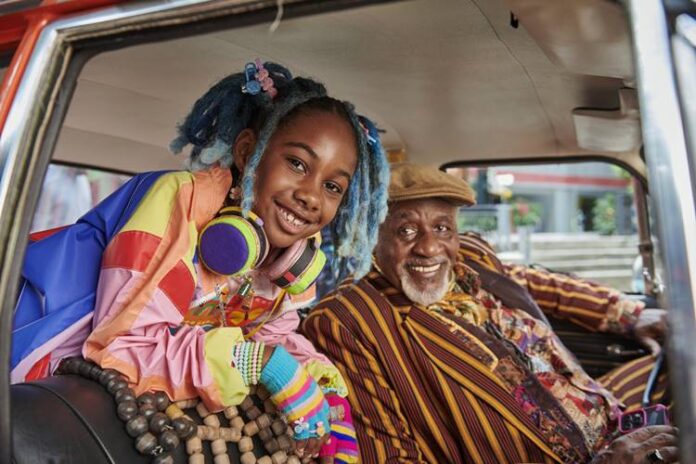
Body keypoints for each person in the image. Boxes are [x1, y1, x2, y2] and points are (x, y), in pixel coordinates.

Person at [11, 61, 390, 461]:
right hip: (41, 367)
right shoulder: (177, 200)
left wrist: (328, 392)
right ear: (249, 153)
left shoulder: (294, 246)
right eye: (297, 163)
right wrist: (259, 363)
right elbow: (120, 346)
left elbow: (275, 335)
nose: (311, 196)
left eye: (332, 186)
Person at [303, 162, 676, 464]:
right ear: (373, 237)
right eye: (406, 230)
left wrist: (628, 314)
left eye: (441, 227)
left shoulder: (471, 259)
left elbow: (538, 283)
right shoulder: (352, 320)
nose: (430, 247)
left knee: (684, 361)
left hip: (613, 416)